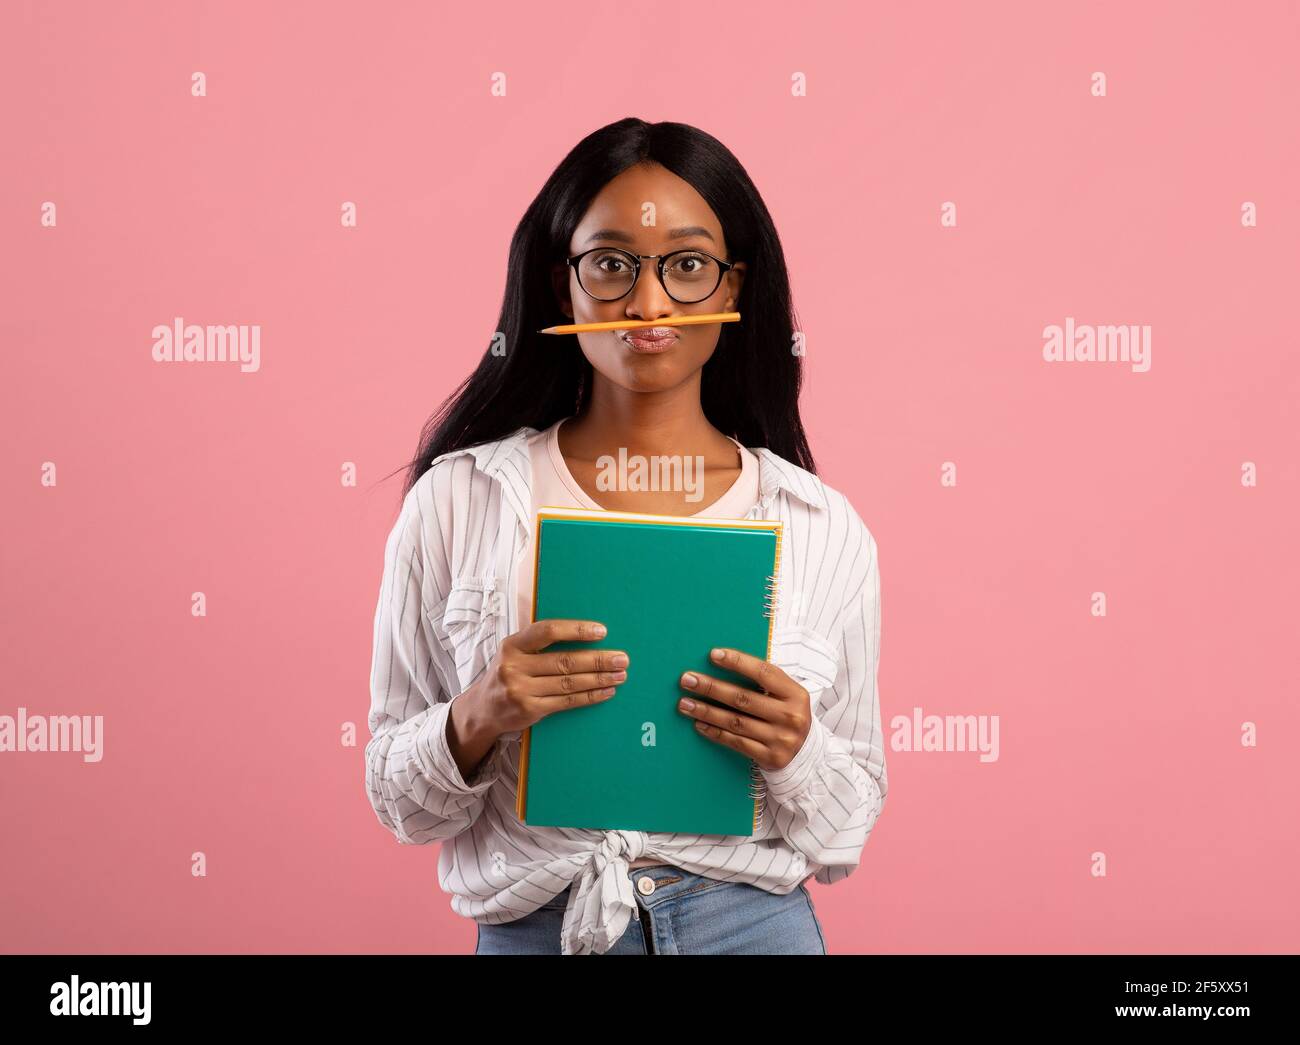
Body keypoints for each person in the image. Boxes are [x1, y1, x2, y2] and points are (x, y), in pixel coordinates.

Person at [365, 117, 888, 955]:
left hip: (752, 931)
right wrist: (478, 715)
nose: (649, 303)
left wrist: (797, 750)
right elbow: (401, 804)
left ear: (731, 288)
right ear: (562, 283)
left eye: (687, 267)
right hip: (540, 931)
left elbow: (846, 828)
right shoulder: (459, 502)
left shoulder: (822, 529)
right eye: (612, 265)